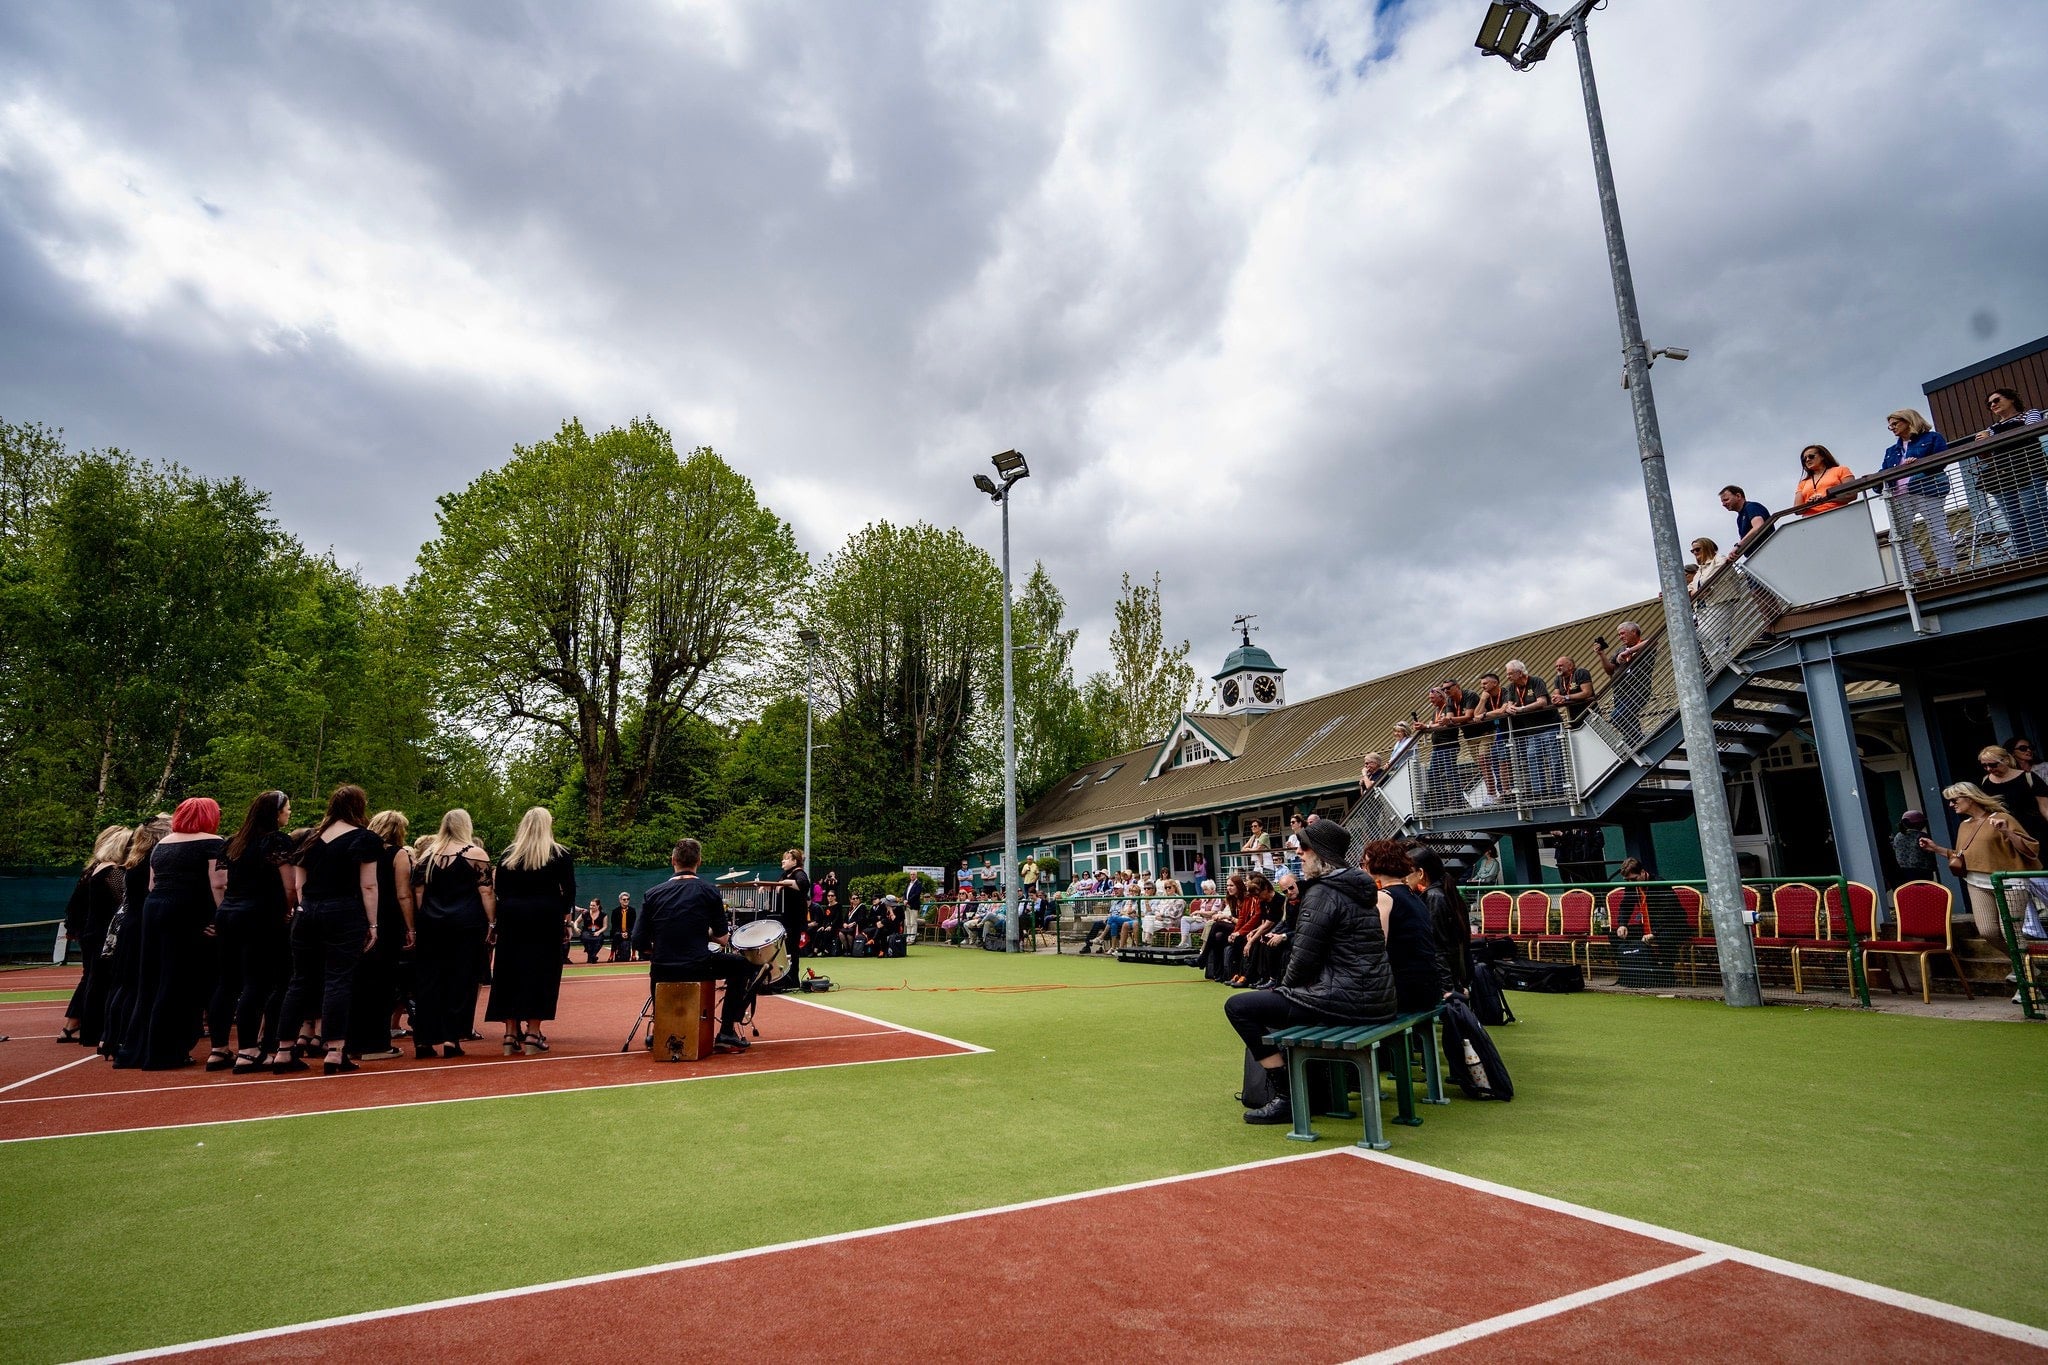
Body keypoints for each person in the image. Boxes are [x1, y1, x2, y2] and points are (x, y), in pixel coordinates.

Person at [1224, 819, 1396, 1125]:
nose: (1299, 853)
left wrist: (1284, 990)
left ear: (1321, 853)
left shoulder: (1321, 893)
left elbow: (1303, 959)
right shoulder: (1361, 888)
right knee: (1270, 1001)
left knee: (1239, 1007)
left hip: (1344, 1000)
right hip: (1377, 998)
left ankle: (1287, 1094)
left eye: (1304, 848)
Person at [274, 786, 381, 1075]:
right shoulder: (365, 838)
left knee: (299, 980)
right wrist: (372, 924)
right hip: (344, 912)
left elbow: (299, 886)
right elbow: (368, 885)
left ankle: (283, 1051)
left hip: (308, 911)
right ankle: (335, 1051)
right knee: (338, 980)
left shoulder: (309, 839)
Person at [115, 797, 227, 1071]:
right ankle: (167, 1050)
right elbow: (219, 884)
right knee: (182, 981)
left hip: (155, 912)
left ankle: (140, 1048)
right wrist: (220, 918)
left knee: (152, 979)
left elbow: (153, 885)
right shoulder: (214, 842)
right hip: (187, 911)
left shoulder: (162, 845)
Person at [632, 837, 758, 1051]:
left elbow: (638, 940)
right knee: (743, 966)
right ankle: (726, 1031)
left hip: (663, 969)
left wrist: (660, 950)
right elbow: (723, 938)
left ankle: (661, 1028)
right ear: (698, 861)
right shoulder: (709, 891)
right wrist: (705, 933)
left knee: (659, 966)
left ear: (673, 861)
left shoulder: (652, 894)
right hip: (698, 965)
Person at [210, 792, 296, 1073]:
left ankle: (218, 1049)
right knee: (257, 983)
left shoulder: (232, 842)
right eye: (286, 809)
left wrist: (226, 909)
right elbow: (289, 886)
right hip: (260, 915)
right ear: (275, 813)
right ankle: (249, 1050)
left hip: (229, 914)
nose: (289, 814)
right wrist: (287, 909)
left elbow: (219, 883)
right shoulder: (276, 841)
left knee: (226, 982)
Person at [408, 808, 495, 1061]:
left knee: (428, 981)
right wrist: (491, 922)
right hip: (465, 924)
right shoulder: (476, 854)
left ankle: (424, 1039)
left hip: (431, 924)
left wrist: (423, 918)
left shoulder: (426, 856)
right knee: (461, 980)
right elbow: (486, 892)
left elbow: (418, 894)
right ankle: (451, 1037)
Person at [488, 807, 576, 1056]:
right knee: (542, 972)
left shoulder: (508, 855)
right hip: (545, 917)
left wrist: (496, 922)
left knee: (508, 971)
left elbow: (500, 891)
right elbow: (568, 892)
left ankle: (509, 1032)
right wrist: (565, 921)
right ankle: (533, 1034)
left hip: (512, 917)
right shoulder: (559, 854)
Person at [1918, 784, 2039, 956]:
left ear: (1970, 798)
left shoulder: (2001, 818)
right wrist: (1936, 849)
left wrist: (2006, 831)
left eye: (1954, 800)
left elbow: (2030, 849)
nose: (1951, 805)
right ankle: (2022, 964)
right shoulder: (1964, 826)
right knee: (1987, 931)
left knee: (2010, 932)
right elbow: (1964, 857)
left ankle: (2027, 975)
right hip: (1976, 882)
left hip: (2008, 882)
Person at [349, 810, 415, 1064]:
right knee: (383, 984)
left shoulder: (358, 850)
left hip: (360, 918)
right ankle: (376, 1041)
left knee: (359, 982)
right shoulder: (398, 854)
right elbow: (403, 894)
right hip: (387, 921)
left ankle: (353, 1040)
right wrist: (411, 927)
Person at [99, 817, 168, 1059]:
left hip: (130, 925)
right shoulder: (152, 861)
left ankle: (111, 1038)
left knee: (124, 985)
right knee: (136, 987)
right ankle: (126, 1041)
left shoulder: (134, 861)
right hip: (141, 926)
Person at [59, 824, 131, 1047]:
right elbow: (124, 902)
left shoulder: (94, 870)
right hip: (102, 933)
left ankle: (83, 1027)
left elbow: (75, 903)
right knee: (102, 980)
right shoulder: (112, 872)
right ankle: (96, 1029)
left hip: (91, 931)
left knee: (92, 979)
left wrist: (72, 927)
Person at [1362, 841, 1450, 1015]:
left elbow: (1377, 947)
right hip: (1428, 988)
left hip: (1405, 990)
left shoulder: (1384, 897)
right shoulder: (1414, 897)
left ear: (1376, 863)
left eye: (1364, 863)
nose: (1363, 868)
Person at [1878, 409, 1956, 577]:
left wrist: (1917, 466)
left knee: (1938, 531)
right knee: (1897, 536)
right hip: (1899, 495)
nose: (1891, 428)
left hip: (1926, 490)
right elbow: (1883, 473)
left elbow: (1941, 461)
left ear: (1908, 420)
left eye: (1895, 423)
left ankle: (1946, 572)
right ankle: (1919, 575)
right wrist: (1879, 482)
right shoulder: (1891, 450)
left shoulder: (1933, 438)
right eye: (1889, 425)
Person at [1976, 388, 2048, 560]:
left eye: (1997, 400)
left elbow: (2032, 430)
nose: (1992, 404)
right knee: (2013, 518)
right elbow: (1987, 455)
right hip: (2003, 475)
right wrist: (1982, 446)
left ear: (2011, 400)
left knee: (2033, 509)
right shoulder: (1992, 428)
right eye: (1990, 403)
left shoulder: (2029, 415)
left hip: (2029, 468)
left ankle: (2042, 552)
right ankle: (2023, 557)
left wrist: (1991, 438)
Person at [1610, 857, 1685, 986]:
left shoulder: (1659, 883)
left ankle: (1667, 974)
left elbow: (1668, 911)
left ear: (1643, 872)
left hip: (1672, 926)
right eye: (1627, 880)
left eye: (1633, 879)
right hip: (1647, 925)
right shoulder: (1632, 886)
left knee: (1664, 938)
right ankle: (1632, 972)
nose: (1630, 882)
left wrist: (1654, 932)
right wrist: (1622, 924)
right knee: (1614, 936)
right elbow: (1625, 905)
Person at [1407, 846, 1472, 992]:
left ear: (1421, 873)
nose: (1404, 877)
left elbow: (1438, 945)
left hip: (1446, 979)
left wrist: (1447, 987)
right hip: (1455, 975)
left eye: (1407, 871)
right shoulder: (1445, 892)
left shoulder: (1434, 897)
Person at [1501, 660, 1556, 796]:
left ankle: (1558, 790)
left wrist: (1522, 709)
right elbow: (1508, 705)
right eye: (1507, 674)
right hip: (1531, 730)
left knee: (1555, 759)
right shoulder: (1511, 687)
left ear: (1519, 673)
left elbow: (1542, 701)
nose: (1508, 677)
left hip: (1548, 726)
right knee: (1532, 758)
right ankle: (1539, 792)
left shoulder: (1536, 681)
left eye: (1510, 674)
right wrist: (1510, 708)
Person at [770, 849, 812, 989]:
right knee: (787, 948)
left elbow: (803, 884)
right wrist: (765, 887)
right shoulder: (786, 873)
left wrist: (787, 882)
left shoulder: (799, 873)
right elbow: (777, 885)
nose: (783, 861)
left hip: (794, 918)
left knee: (792, 949)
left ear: (794, 861)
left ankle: (792, 978)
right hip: (786, 917)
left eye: (787, 859)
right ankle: (785, 976)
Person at [1793, 444, 1855, 516]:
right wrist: (1809, 504)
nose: (1807, 460)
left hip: (1838, 513)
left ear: (1822, 456)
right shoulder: (1803, 483)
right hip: (1811, 519)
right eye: (1804, 459)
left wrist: (1825, 499)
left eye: (1811, 456)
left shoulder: (1841, 470)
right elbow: (1797, 510)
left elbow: (1852, 494)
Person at [1890, 811, 1937, 888]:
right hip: (1922, 872)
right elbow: (1930, 853)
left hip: (1902, 873)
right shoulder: (1922, 836)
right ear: (1920, 824)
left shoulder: (1898, 836)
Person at [576, 898, 607, 964]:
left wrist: (598, 932)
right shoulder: (585, 913)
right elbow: (576, 922)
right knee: (585, 938)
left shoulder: (603, 915)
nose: (591, 907)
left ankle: (592, 956)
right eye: (590, 905)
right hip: (586, 932)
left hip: (598, 932)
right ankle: (592, 956)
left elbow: (605, 926)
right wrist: (576, 928)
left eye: (593, 905)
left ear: (598, 906)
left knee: (599, 939)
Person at [612, 891, 634, 963]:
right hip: (618, 932)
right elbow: (614, 925)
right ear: (620, 900)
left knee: (635, 935)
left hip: (629, 931)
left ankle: (633, 954)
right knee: (616, 935)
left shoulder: (632, 911)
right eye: (624, 899)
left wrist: (627, 932)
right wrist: (621, 933)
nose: (626, 901)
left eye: (628, 899)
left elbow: (632, 925)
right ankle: (612, 954)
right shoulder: (615, 911)